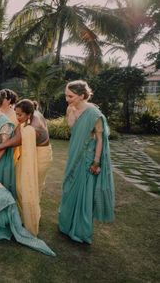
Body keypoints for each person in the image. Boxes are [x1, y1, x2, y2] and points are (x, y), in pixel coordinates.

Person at [0, 99, 53, 236]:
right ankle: (25, 215)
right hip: (31, 154)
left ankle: (30, 218)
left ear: (28, 114)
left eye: (19, 115)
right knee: (22, 186)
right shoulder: (30, 117)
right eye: (16, 114)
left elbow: (10, 143)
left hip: (41, 157)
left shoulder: (32, 129)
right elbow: (16, 132)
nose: (17, 118)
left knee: (29, 187)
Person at [58, 80, 115, 243]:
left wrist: (96, 162)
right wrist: (72, 111)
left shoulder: (94, 114)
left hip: (87, 158)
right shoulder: (71, 107)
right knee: (69, 189)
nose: (67, 99)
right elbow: (72, 127)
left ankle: (80, 231)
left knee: (83, 194)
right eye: (66, 96)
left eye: (70, 96)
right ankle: (66, 225)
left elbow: (100, 140)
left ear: (82, 95)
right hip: (74, 154)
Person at [0, 89, 20, 164]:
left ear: (9, 100)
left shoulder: (15, 115)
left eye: (2, 98)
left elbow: (17, 136)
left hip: (9, 148)